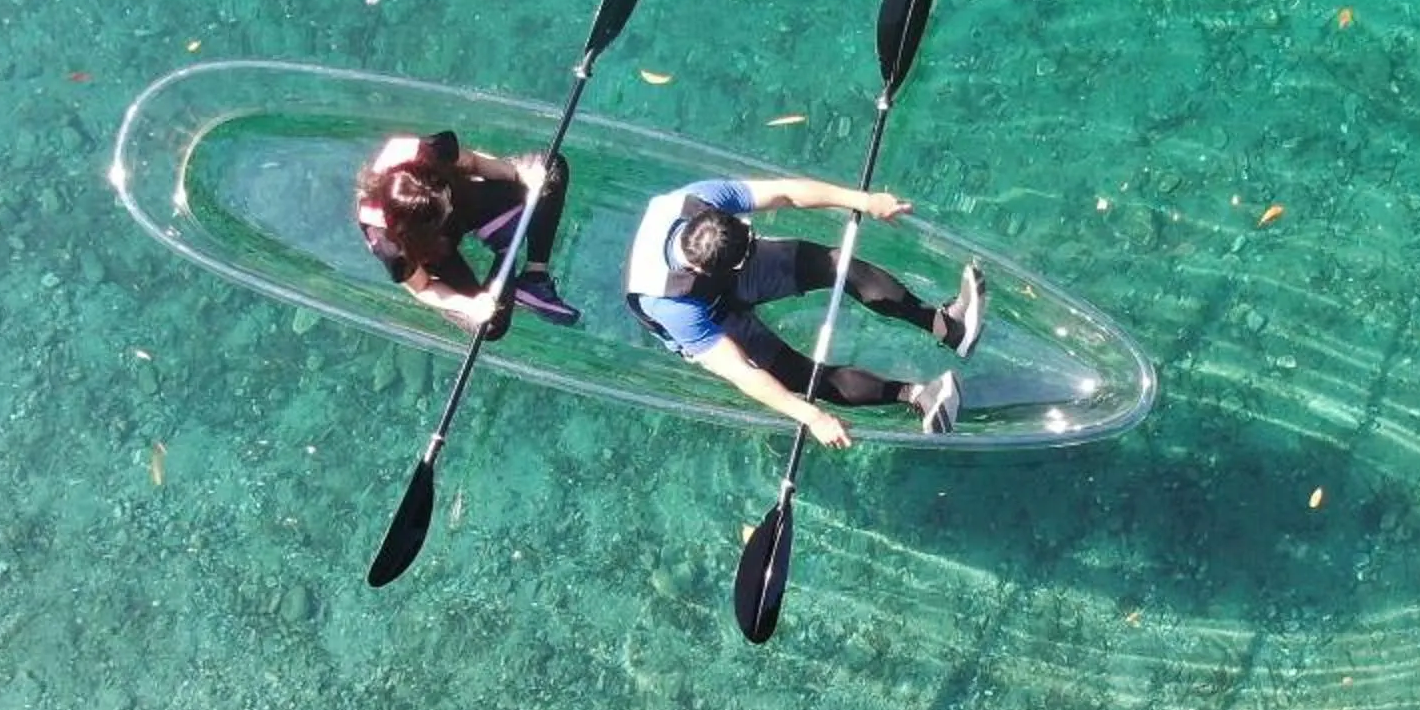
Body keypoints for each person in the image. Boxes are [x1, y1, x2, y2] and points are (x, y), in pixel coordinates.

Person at [623, 176, 983, 445]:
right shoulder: (671, 307)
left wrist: (863, 200)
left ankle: (949, 327)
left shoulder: (699, 200)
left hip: (720, 273)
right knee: (802, 376)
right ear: (704, 270)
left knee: (836, 265)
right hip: (713, 318)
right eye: (745, 255)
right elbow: (742, 372)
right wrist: (812, 417)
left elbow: (786, 192)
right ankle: (918, 396)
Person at [354, 130, 580, 339]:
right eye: (443, 212)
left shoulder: (425, 154)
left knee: (552, 169)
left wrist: (519, 176)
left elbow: (473, 162)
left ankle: (534, 276)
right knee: (489, 327)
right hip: (434, 247)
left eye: (444, 198)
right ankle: (505, 251)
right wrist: (469, 306)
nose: (448, 208)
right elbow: (422, 287)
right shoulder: (389, 243)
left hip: (463, 195)